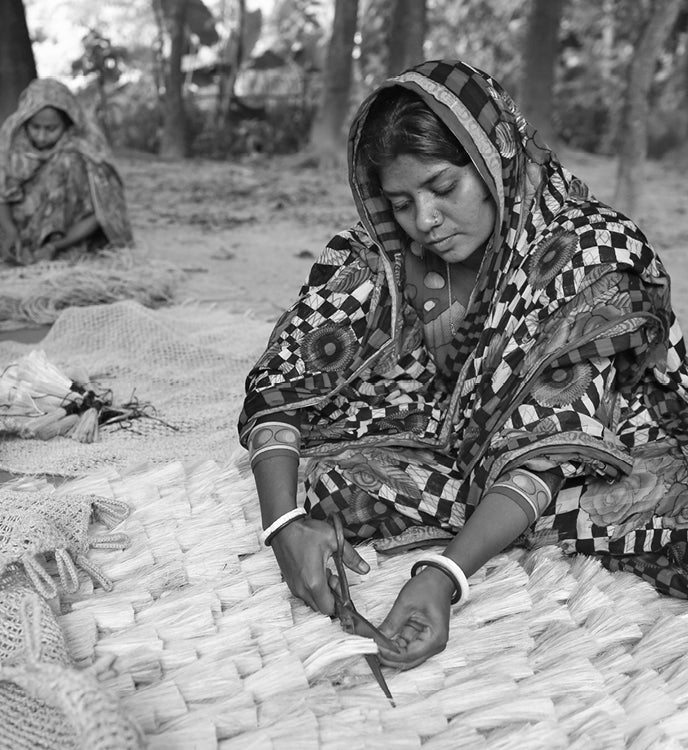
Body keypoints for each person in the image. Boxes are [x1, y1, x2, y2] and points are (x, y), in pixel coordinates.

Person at [238, 59, 688, 670]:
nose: (424, 220)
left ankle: (488, 519)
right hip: (459, 443)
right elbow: (283, 382)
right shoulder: (384, 257)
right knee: (320, 473)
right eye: (400, 202)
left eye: (444, 189)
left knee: (635, 501)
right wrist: (283, 524)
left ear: (494, 157)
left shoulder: (590, 256)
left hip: (604, 443)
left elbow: (551, 439)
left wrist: (444, 573)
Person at [0, 78, 133, 265]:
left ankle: (41, 247)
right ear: (25, 120)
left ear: (68, 124)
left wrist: (55, 246)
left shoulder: (84, 151)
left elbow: (103, 211)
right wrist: (9, 230)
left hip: (63, 228)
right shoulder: (14, 138)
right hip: (18, 213)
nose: (41, 137)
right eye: (35, 127)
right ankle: (1, 243)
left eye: (51, 129)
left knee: (66, 162)